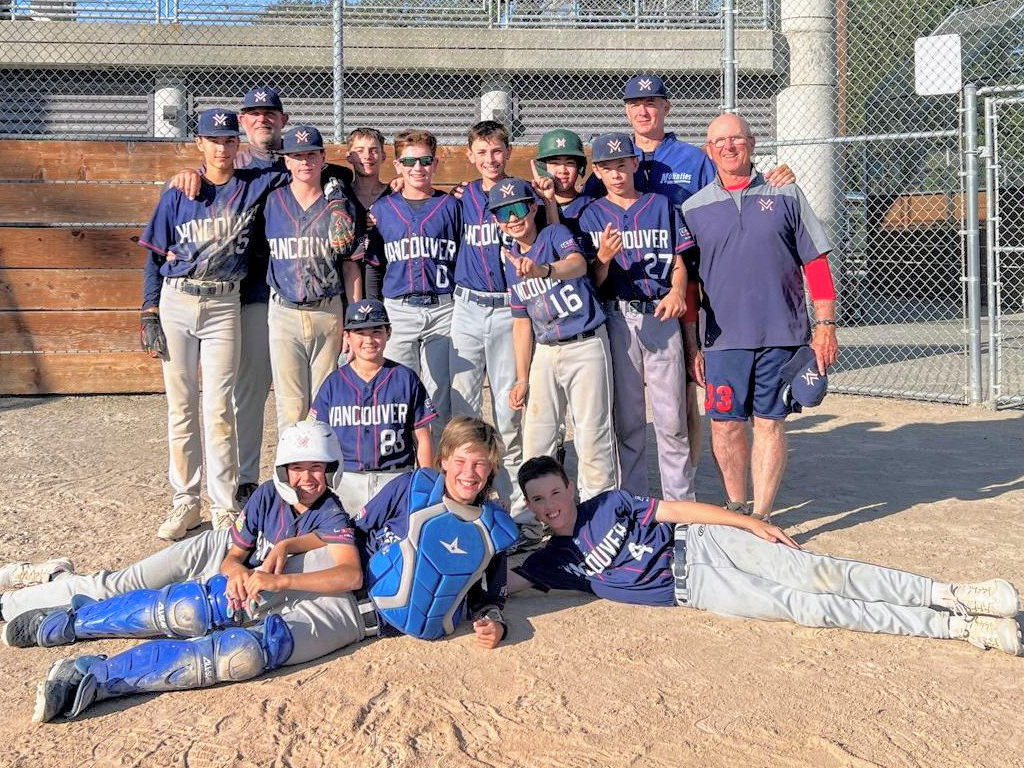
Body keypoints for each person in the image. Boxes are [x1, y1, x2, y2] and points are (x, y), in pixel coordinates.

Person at [15, 418, 517, 723]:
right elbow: (355, 532)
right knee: (199, 605)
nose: (470, 473)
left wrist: (492, 614)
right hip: (328, 567)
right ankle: (69, 621)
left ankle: (92, 677)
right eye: (462, 461)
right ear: (446, 459)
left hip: (359, 618)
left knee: (242, 655)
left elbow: (486, 587)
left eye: (481, 465)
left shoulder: (493, 532)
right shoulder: (412, 488)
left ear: (491, 469)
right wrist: (288, 547)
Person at [509, 456, 1023, 656]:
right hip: (699, 591)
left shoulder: (609, 503)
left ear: (570, 488)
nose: (550, 507)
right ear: (529, 507)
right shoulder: (552, 561)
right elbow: (500, 583)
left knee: (819, 573)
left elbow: (678, 509)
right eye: (538, 500)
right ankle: (960, 629)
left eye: (555, 493)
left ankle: (952, 594)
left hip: (705, 544)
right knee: (811, 607)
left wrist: (751, 521)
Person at [0, 420, 359, 647]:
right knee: (117, 587)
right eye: (297, 468)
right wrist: (237, 571)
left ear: (331, 469)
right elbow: (231, 557)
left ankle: (57, 581)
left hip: (233, 588)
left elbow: (351, 573)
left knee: (156, 613)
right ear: (283, 470)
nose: (307, 478)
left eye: (316, 468)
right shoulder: (268, 493)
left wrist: (274, 564)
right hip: (213, 553)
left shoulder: (331, 511)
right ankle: (9, 605)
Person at [139, 108, 289, 539]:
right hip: (178, 300)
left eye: (228, 140)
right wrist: (148, 310)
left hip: (226, 303)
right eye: (213, 140)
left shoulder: (253, 185)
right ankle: (185, 500)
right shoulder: (179, 193)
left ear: (236, 144)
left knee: (219, 406)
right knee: (181, 405)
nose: (221, 148)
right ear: (198, 144)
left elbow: (303, 171)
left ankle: (223, 505)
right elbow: (153, 256)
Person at [681, 113, 839, 521]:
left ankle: (762, 515)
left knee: (770, 423)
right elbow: (691, 284)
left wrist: (825, 326)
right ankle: (736, 507)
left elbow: (816, 264)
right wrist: (693, 343)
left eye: (737, 138)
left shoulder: (786, 194)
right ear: (708, 150)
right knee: (724, 425)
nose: (729, 147)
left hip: (781, 335)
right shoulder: (693, 209)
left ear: (752, 143)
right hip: (722, 341)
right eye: (719, 141)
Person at [490, 177, 618, 513]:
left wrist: (543, 270)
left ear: (532, 207)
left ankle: (599, 513)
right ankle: (538, 519)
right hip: (545, 350)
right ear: (495, 221)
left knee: (592, 435)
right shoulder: (509, 258)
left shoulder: (554, 234)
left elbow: (578, 265)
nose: (513, 218)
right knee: (538, 437)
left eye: (518, 207)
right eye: (503, 213)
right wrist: (521, 377)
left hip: (585, 342)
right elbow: (521, 320)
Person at [580, 132, 695, 501]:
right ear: (597, 171)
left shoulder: (660, 205)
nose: (616, 174)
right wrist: (603, 259)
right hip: (618, 317)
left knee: (673, 421)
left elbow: (679, 262)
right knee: (628, 422)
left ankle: (680, 508)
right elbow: (594, 282)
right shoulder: (592, 215)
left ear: (634, 164)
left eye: (621, 164)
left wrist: (678, 291)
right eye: (607, 167)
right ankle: (636, 505)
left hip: (661, 316)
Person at [449, 120, 545, 514]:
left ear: (509, 153)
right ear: (469, 156)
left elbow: (548, 237)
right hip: (468, 306)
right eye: (482, 152)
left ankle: (515, 506)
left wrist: (548, 200)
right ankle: (464, 498)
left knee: (509, 410)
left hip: (509, 308)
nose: (490, 159)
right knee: (464, 407)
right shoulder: (460, 198)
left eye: (497, 151)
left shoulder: (521, 193)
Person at [262, 124, 363, 433]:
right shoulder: (271, 202)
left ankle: (324, 478)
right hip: (284, 311)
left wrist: (354, 322)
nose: (304, 162)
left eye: (310, 155)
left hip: (328, 309)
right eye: (296, 156)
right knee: (290, 406)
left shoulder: (341, 206)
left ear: (322, 158)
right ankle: (291, 478)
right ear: (286, 161)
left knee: (325, 403)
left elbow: (350, 267)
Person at [365, 129, 460, 438]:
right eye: (409, 161)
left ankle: (436, 466)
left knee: (439, 393)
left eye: (424, 161)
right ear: (397, 166)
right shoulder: (382, 210)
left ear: (435, 164)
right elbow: (374, 267)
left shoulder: (451, 207)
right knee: (398, 389)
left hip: (442, 309)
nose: (417, 168)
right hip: (398, 309)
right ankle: (404, 462)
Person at [310, 299, 437, 513]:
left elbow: (422, 437)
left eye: (376, 331)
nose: (369, 340)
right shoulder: (334, 383)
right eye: (360, 332)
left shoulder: (406, 378)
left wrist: (425, 481)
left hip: (396, 476)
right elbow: (316, 438)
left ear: (388, 333)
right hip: (345, 478)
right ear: (347, 337)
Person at [345, 127, 391, 300]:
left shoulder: (394, 195)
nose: (367, 156)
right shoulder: (341, 196)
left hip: (385, 279)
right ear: (349, 156)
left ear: (384, 156)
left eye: (374, 150)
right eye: (359, 151)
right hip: (347, 279)